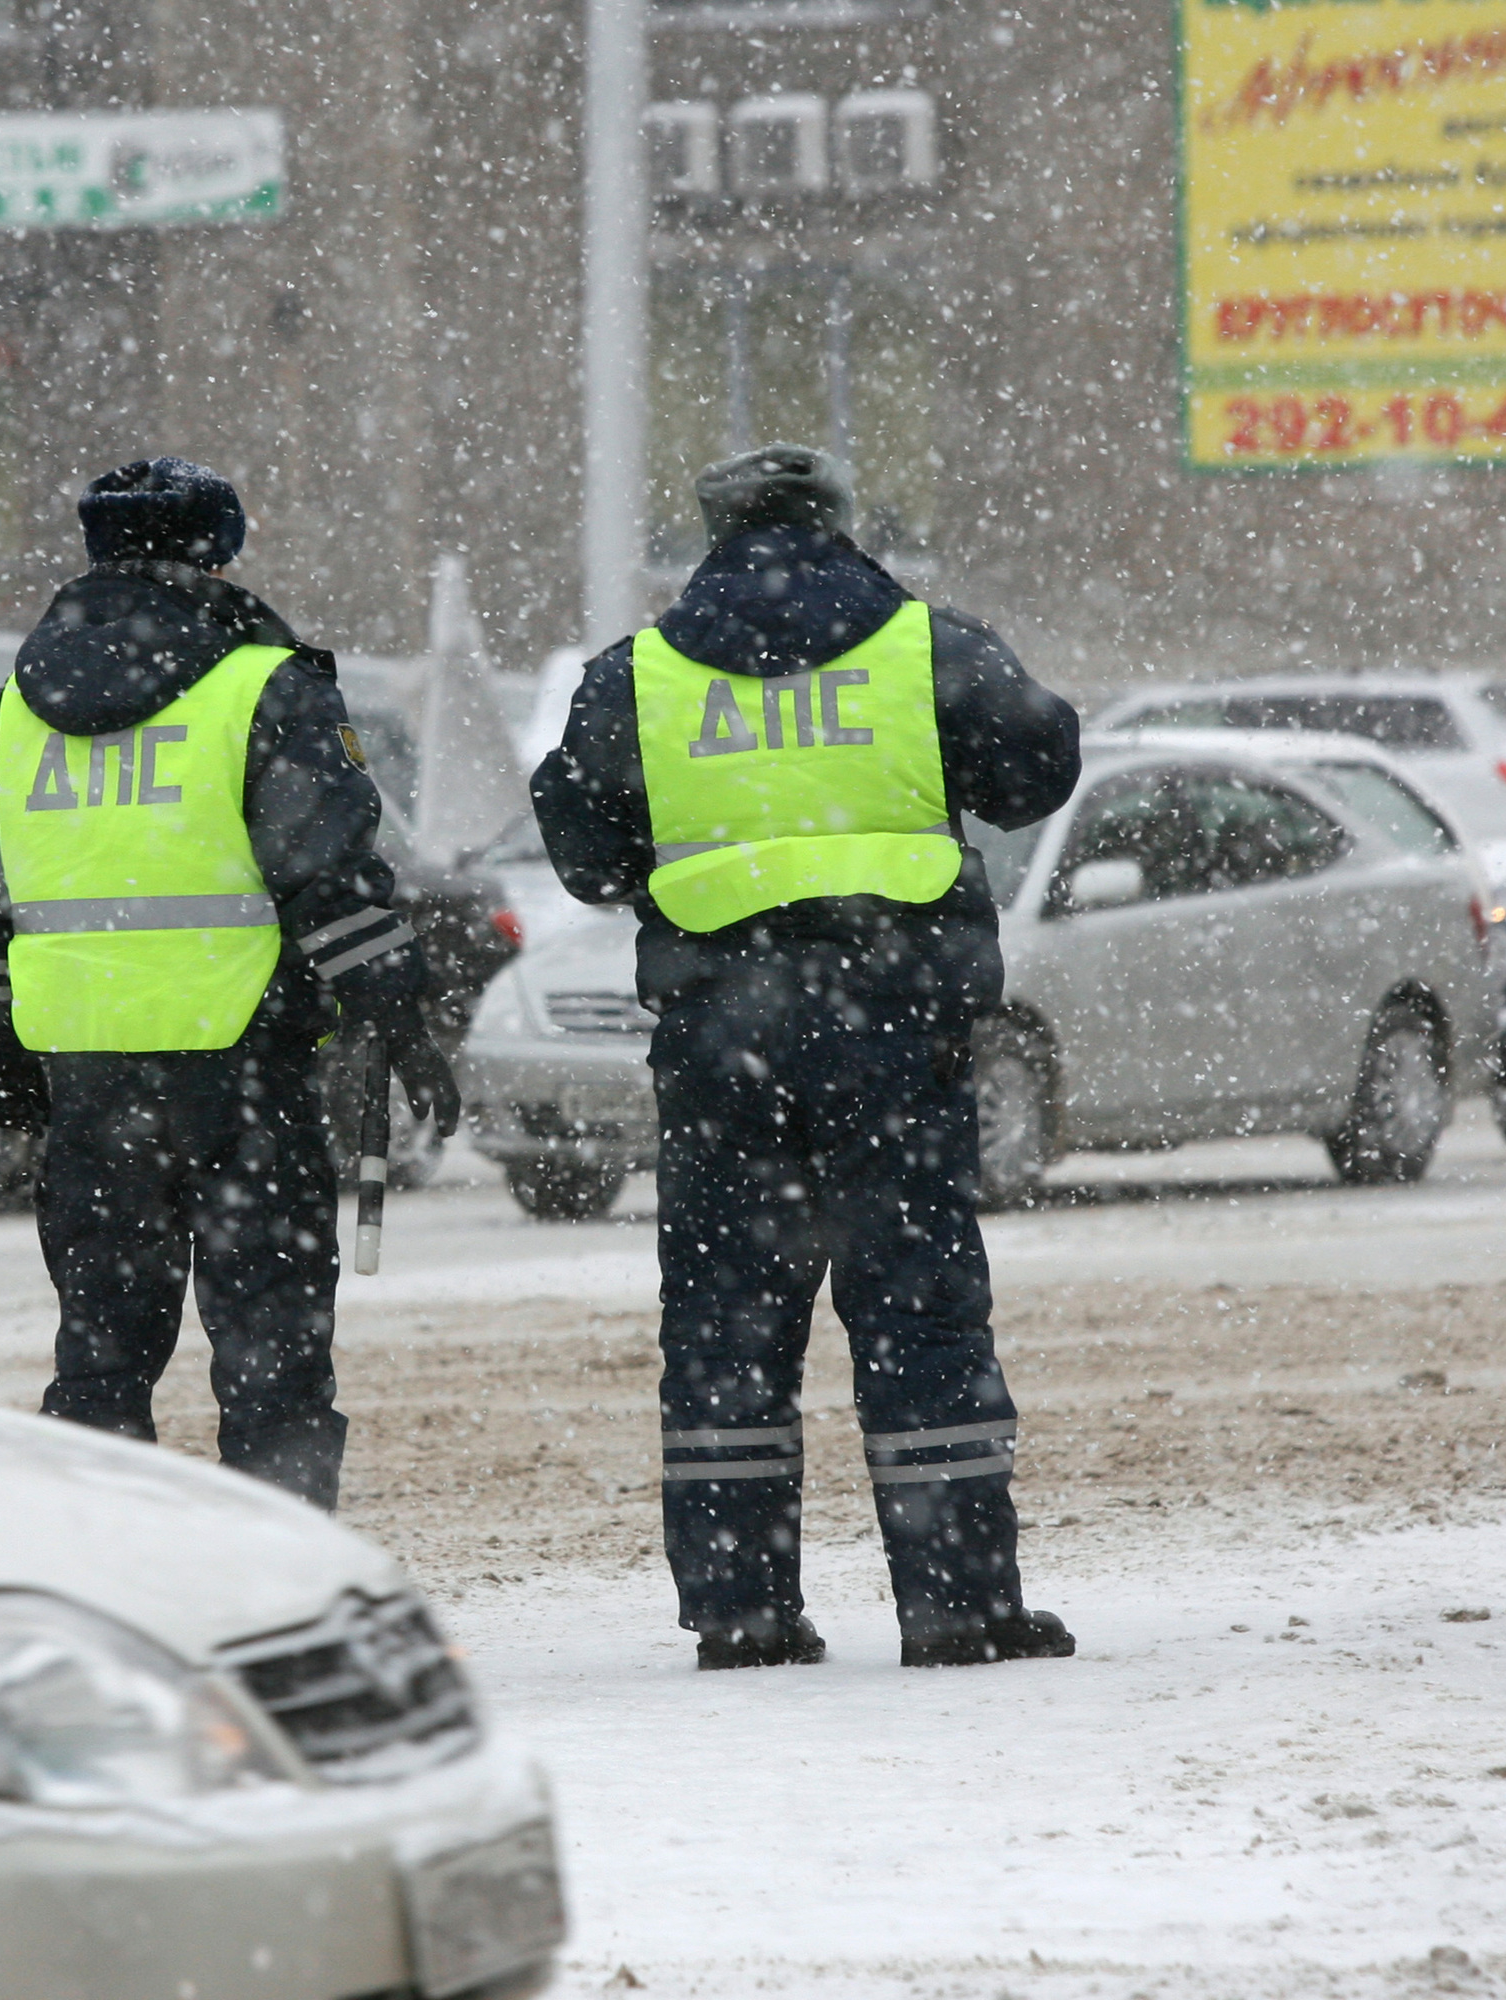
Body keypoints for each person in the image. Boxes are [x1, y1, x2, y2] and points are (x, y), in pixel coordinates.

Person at [533, 445, 1082, 1669]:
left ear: (711, 536)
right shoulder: (925, 647)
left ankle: (741, 1611)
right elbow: (1039, 764)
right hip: (897, 1037)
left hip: (721, 1054)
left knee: (725, 1325)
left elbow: (582, 847)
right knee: (921, 1312)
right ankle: (957, 1603)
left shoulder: (643, 677)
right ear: (839, 525)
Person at [0, 457, 456, 1508]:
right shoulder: (261, 684)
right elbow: (328, 867)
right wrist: (394, 1009)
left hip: (85, 1070)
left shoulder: (20, 705)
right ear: (219, 552)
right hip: (245, 1063)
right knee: (271, 1355)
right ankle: (277, 1581)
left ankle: (105, 1574)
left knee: (100, 1356)